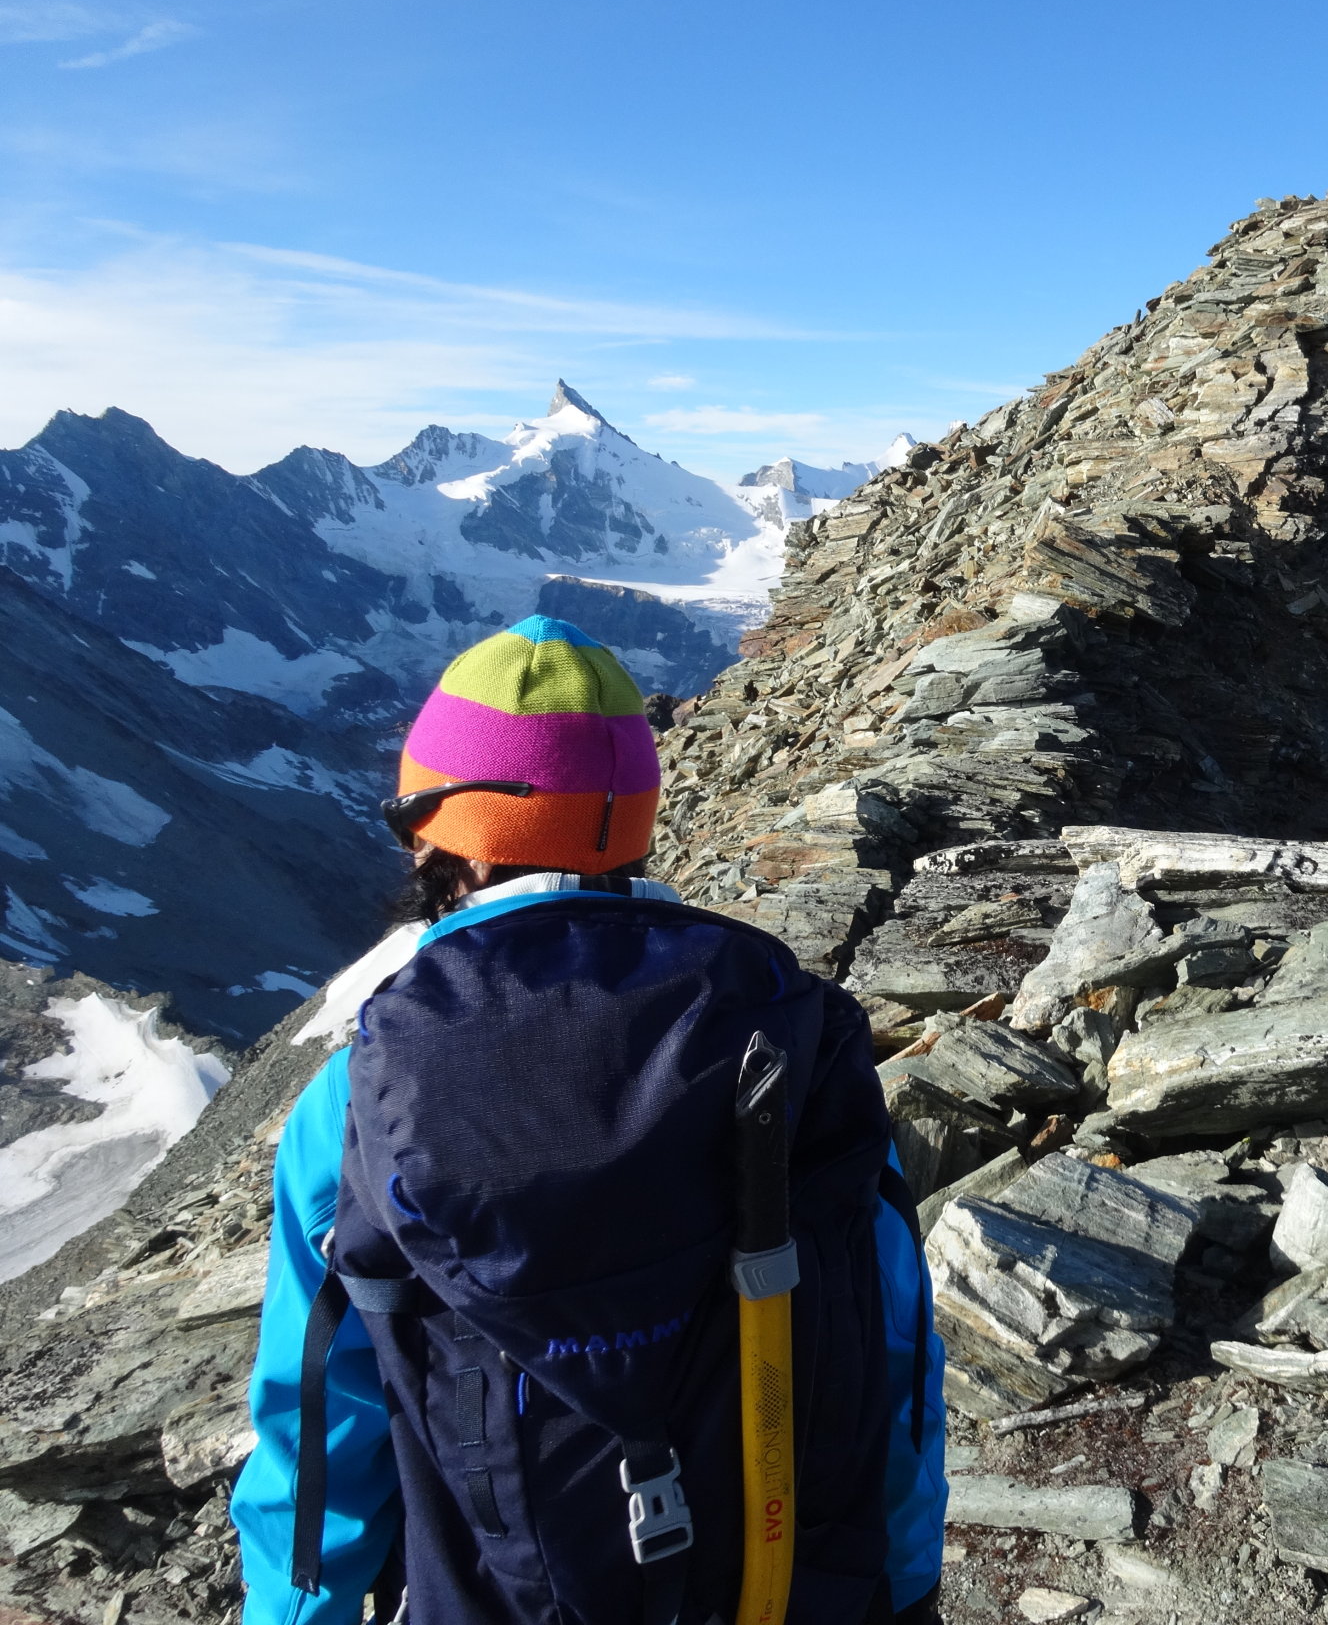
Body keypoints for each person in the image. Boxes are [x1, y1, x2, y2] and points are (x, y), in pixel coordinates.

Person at [231, 616, 946, 1624]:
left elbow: (319, 1431)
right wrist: (906, 1587)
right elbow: (893, 1344)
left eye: (411, 815)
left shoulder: (357, 1097)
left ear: (449, 837)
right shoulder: (797, 1034)